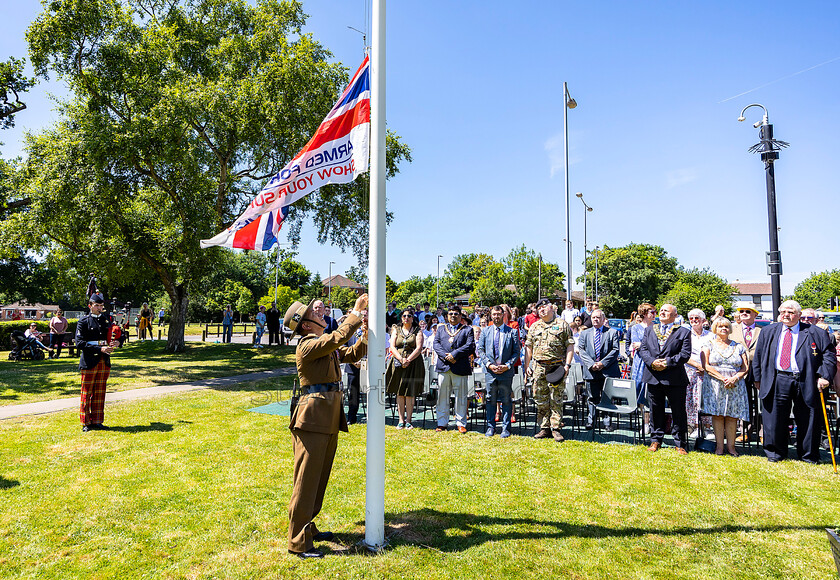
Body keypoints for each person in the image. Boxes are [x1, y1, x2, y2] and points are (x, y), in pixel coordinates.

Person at [283, 293, 369, 559]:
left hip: (327, 416)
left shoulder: (321, 344)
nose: (321, 312)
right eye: (314, 312)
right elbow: (337, 339)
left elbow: (353, 352)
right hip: (312, 418)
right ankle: (298, 541)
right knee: (306, 480)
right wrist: (355, 314)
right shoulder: (307, 345)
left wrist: (365, 332)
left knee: (319, 479)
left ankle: (309, 526)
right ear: (305, 324)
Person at [752, 300, 836, 463]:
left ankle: (808, 455)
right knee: (774, 417)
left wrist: (825, 376)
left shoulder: (815, 332)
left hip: (807, 379)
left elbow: (829, 355)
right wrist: (757, 378)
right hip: (777, 378)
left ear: (798, 315)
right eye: (783, 311)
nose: (786, 315)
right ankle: (775, 453)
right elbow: (759, 356)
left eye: (790, 312)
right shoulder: (768, 331)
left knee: (808, 417)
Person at [638, 303, 692, 455]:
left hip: (674, 378)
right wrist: (652, 362)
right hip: (653, 376)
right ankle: (656, 440)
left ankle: (680, 443)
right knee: (655, 410)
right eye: (660, 310)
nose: (661, 312)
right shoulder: (649, 330)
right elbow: (643, 349)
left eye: (666, 311)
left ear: (674, 315)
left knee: (678, 412)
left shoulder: (683, 332)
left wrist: (667, 363)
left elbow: (685, 354)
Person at [524, 298, 575, 442]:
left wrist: (567, 365)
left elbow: (570, 345)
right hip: (539, 367)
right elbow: (529, 347)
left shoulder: (562, 325)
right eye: (539, 308)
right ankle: (544, 428)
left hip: (556, 367)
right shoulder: (534, 327)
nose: (541, 309)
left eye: (544, 307)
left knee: (556, 398)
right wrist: (527, 366)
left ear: (552, 308)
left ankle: (556, 429)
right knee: (540, 398)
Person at [700, 317, 750, 456]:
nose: (724, 329)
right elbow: (706, 366)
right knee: (718, 415)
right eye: (720, 326)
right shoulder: (707, 344)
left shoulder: (738, 346)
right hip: (715, 384)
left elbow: (745, 367)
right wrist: (723, 378)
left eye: (726, 327)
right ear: (715, 328)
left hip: (735, 384)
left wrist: (734, 378)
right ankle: (719, 447)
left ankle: (732, 447)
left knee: (732, 416)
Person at [477, 305, 521, 438]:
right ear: (491, 315)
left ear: (503, 315)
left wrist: (507, 366)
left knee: (506, 399)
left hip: (506, 372)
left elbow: (516, 352)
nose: (496, 316)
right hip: (490, 372)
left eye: (498, 314)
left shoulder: (511, 332)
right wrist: (489, 365)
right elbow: (481, 350)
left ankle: (506, 428)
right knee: (490, 399)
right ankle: (491, 427)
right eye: (494, 314)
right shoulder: (485, 331)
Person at [76, 295, 117, 432]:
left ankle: (97, 420)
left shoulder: (106, 320)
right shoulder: (84, 321)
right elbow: (80, 343)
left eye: (101, 306)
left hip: (104, 360)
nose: (100, 308)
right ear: (90, 306)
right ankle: (86, 422)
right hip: (89, 360)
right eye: (97, 306)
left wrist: (117, 342)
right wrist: (100, 349)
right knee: (87, 393)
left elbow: (118, 334)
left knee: (100, 392)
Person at [433, 305, 476, 433]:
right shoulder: (441, 329)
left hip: (460, 366)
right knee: (442, 396)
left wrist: (454, 354)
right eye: (451, 314)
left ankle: (460, 423)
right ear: (447, 316)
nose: (453, 316)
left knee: (461, 396)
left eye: (456, 314)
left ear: (460, 316)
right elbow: (436, 344)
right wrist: (446, 356)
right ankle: (442, 423)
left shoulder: (467, 329)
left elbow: (470, 346)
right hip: (444, 365)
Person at [578, 309, 621, 431]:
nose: (595, 319)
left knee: (607, 397)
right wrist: (592, 364)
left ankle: (607, 422)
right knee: (592, 397)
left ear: (603, 319)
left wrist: (602, 363)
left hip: (608, 371)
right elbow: (581, 350)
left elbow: (615, 350)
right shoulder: (585, 334)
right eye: (593, 318)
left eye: (598, 317)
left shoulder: (612, 332)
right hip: (591, 371)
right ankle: (591, 421)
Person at [729, 303, 763, 443]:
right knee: (744, 402)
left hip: (759, 371)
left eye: (748, 311)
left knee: (762, 402)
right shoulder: (732, 329)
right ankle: (744, 431)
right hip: (740, 372)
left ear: (755, 314)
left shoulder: (763, 331)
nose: (744, 313)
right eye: (741, 311)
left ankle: (763, 433)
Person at [386, 311, 425, 429]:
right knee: (399, 392)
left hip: (413, 363)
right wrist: (401, 359)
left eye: (409, 316)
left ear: (413, 318)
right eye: (404, 316)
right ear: (401, 318)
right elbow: (392, 346)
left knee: (409, 392)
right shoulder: (396, 329)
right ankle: (400, 420)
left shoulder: (418, 330)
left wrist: (408, 360)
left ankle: (409, 420)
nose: (406, 318)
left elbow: (419, 348)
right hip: (398, 362)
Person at [684, 309, 712, 438]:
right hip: (690, 370)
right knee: (691, 399)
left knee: (706, 399)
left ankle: (707, 427)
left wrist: (705, 367)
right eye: (691, 318)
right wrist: (697, 365)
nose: (694, 321)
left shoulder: (711, 335)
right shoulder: (686, 335)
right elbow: (684, 354)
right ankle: (694, 426)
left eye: (697, 318)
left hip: (707, 372)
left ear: (703, 320)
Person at [630, 303, 656, 431]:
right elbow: (636, 345)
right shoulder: (636, 328)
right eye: (652, 312)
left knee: (652, 393)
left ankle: (651, 423)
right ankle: (644, 422)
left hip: (653, 363)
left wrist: (645, 345)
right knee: (640, 390)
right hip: (640, 364)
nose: (655, 314)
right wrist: (651, 346)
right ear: (645, 313)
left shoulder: (656, 328)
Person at [343, 310, 368, 425]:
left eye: (365, 315)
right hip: (352, 367)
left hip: (368, 366)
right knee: (353, 392)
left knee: (372, 391)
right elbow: (343, 346)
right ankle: (352, 417)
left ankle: (372, 417)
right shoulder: (349, 330)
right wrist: (353, 361)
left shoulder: (371, 329)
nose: (363, 317)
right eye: (361, 315)